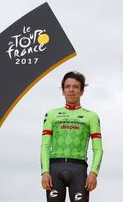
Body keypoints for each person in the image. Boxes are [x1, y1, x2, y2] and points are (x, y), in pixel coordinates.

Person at [40, 71, 103, 202]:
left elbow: (98, 149)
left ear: (82, 91)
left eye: (75, 87)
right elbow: (45, 145)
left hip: (79, 169)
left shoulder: (91, 116)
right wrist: (45, 172)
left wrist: (93, 173)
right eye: (67, 87)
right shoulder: (51, 115)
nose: (71, 90)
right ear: (62, 91)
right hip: (54, 168)